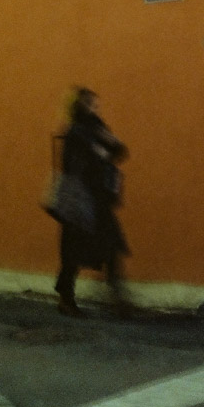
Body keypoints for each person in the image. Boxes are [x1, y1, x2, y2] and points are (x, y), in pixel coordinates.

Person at [54, 86, 129, 316]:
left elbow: (120, 150)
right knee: (73, 251)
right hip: (79, 200)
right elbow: (86, 159)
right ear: (81, 106)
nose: (97, 108)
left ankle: (116, 293)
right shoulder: (75, 131)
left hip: (98, 198)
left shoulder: (97, 127)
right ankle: (67, 298)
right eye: (92, 104)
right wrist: (102, 150)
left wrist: (107, 143)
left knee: (111, 242)